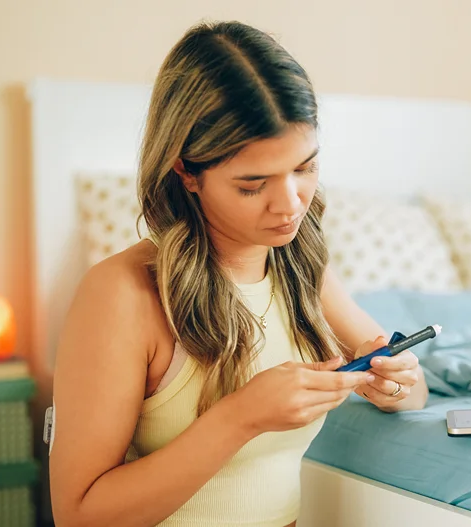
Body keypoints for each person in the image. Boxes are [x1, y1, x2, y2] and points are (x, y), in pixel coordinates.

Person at [49, 20, 428, 527]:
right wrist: (240, 417)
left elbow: (406, 384)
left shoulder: (300, 266)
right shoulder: (123, 293)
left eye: (305, 168)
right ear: (186, 171)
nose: (291, 205)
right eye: (254, 185)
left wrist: (398, 383)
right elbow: (78, 515)